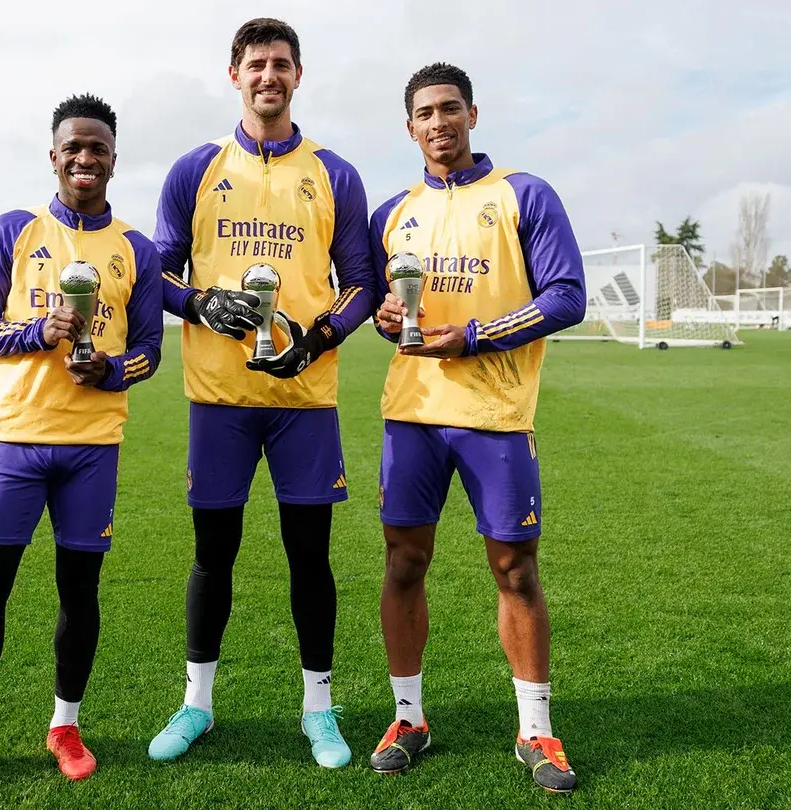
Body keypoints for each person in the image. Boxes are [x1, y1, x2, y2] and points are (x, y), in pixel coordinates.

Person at [0, 93, 163, 798]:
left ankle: (65, 725)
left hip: (92, 447)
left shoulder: (136, 248)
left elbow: (148, 352)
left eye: (98, 149)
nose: (86, 159)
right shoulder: (14, 230)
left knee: (80, 592)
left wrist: (107, 369)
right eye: (73, 148)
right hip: (14, 442)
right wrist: (36, 332)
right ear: (53, 156)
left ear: (113, 159)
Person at [146, 17, 375, 769]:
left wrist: (318, 338)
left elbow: (363, 285)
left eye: (280, 64)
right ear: (234, 74)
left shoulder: (335, 172)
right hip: (218, 401)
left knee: (310, 557)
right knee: (215, 556)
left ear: (298, 76)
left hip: (304, 403)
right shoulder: (195, 169)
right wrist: (200, 305)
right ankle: (196, 705)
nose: (267, 76)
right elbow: (159, 272)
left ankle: (320, 711)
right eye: (255, 64)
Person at [365, 63, 586, 794]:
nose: (439, 122)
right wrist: (385, 318)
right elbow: (385, 313)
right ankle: (408, 718)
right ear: (410, 128)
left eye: (450, 108)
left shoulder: (523, 194)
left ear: (472, 114)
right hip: (413, 416)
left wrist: (478, 335)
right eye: (425, 113)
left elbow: (566, 297)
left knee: (516, 570)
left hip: (495, 416)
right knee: (403, 565)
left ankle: (536, 731)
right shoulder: (391, 214)